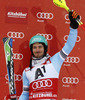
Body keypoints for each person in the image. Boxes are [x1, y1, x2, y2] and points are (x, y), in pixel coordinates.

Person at [19, 11, 80, 100]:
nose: (37, 50)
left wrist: (73, 28)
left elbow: (69, 46)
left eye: (40, 47)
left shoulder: (54, 61)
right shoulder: (27, 71)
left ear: (45, 48)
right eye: (34, 47)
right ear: (31, 50)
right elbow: (25, 95)